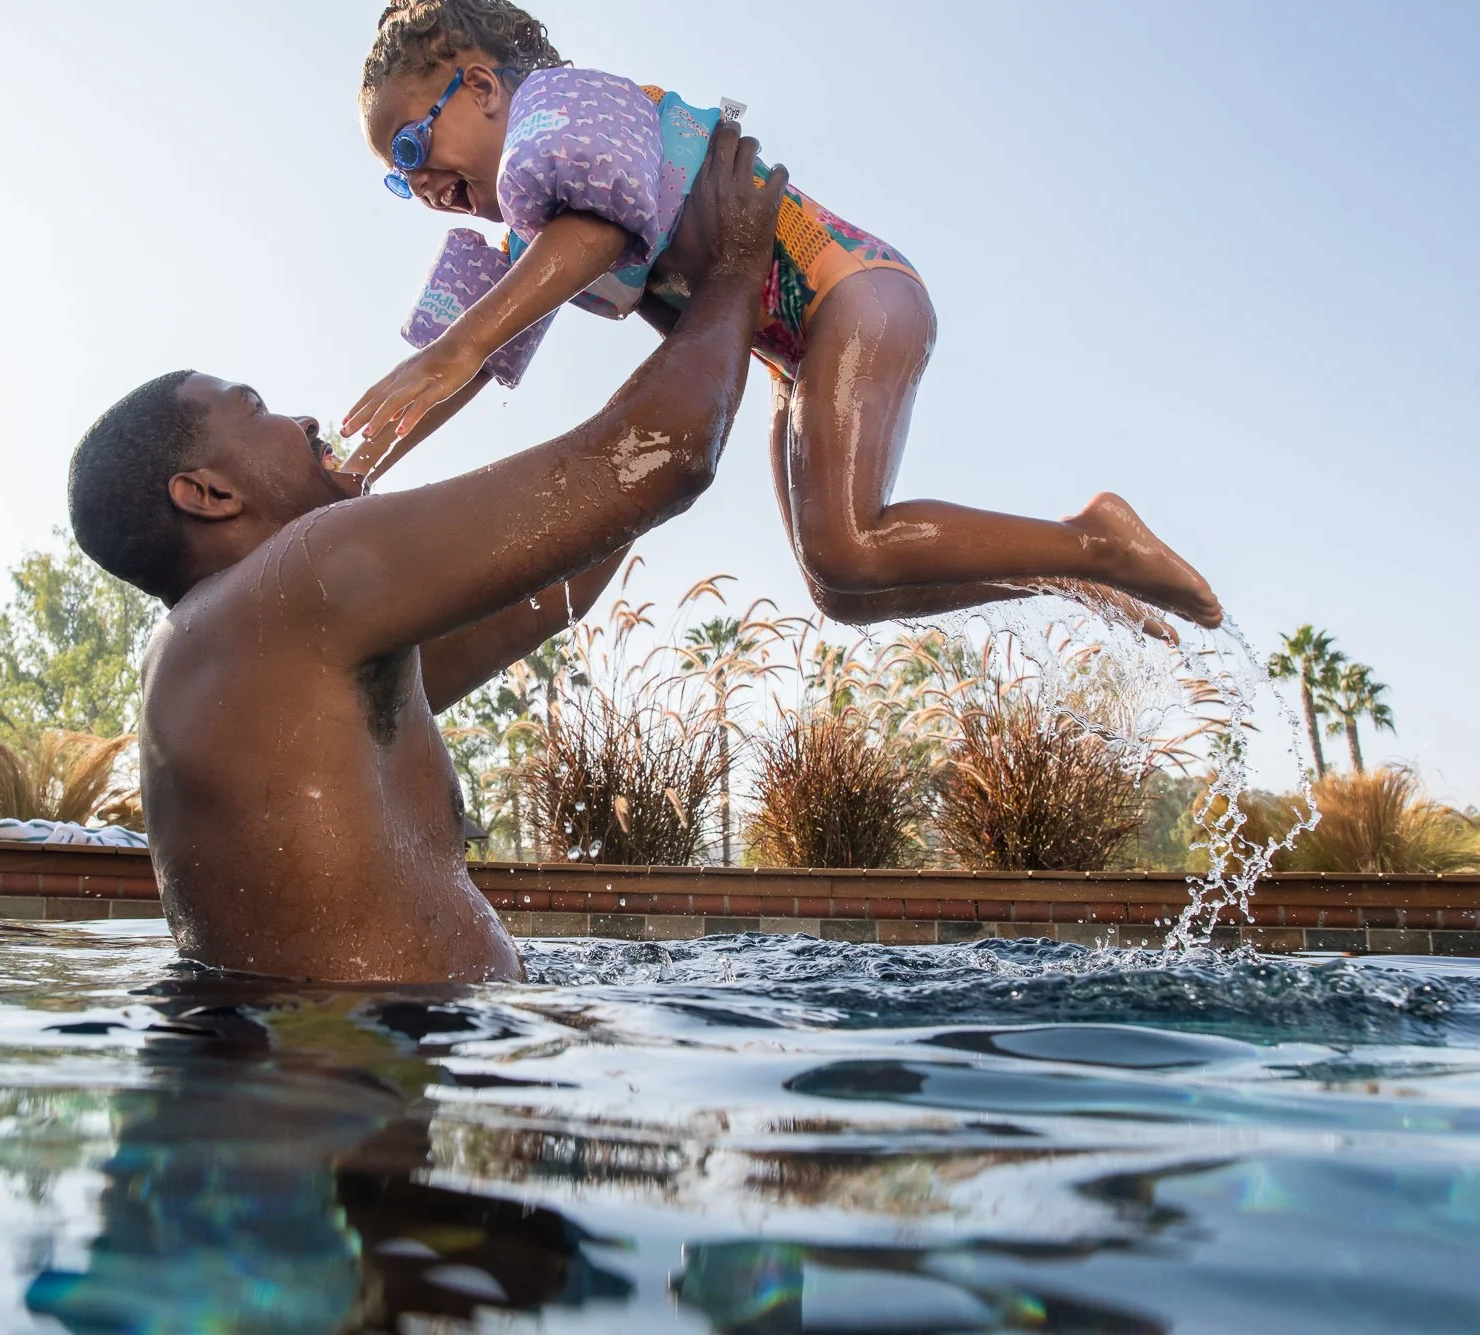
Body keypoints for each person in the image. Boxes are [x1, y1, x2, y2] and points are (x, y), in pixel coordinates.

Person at [65, 122, 787, 982]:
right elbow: (662, 455)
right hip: (364, 1061)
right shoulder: (301, 580)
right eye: (255, 407)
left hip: (343, 1060)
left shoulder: (252, 651)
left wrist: (644, 303)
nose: (299, 421)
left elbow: (567, 575)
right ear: (210, 493)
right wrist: (737, 269)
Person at [342, 0, 1222, 634]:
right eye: (396, 179)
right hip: (796, 356)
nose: (418, 188)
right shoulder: (530, 232)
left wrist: (458, 346)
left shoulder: (568, 113)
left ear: (485, 86)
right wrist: (359, 467)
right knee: (840, 587)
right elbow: (472, 359)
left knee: (847, 543)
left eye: (413, 147)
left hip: (856, 292)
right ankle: (1069, 568)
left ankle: (1095, 538)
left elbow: (580, 244)